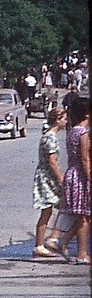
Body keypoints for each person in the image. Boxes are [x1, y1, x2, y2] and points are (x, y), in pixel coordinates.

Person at [53, 98, 90, 264]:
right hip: (80, 177)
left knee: (83, 216)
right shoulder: (83, 133)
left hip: (72, 174)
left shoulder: (72, 131)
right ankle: (81, 254)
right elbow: (84, 158)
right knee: (83, 216)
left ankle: (64, 240)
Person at [32, 107, 67, 258]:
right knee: (47, 211)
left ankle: (52, 239)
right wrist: (62, 179)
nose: (66, 121)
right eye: (64, 118)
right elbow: (52, 162)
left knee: (53, 209)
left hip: (47, 177)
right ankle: (42, 244)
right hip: (47, 178)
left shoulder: (48, 136)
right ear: (57, 120)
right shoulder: (50, 138)